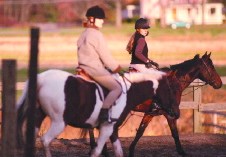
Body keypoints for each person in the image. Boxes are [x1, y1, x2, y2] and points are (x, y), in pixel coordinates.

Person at [77, 5, 123, 123]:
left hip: (81, 69)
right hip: (94, 70)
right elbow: (106, 57)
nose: (103, 21)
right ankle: (104, 112)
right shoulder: (97, 35)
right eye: (100, 18)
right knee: (117, 88)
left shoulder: (83, 34)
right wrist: (117, 68)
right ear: (92, 19)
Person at [126, 18, 161, 112]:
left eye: (146, 29)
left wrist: (150, 61)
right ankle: (154, 104)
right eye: (143, 28)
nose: (146, 30)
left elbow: (140, 55)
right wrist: (147, 62)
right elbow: (138, 53)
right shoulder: (141, 39)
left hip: (134, 65)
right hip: (139, 65)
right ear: (138, 29)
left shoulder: (136, 37)